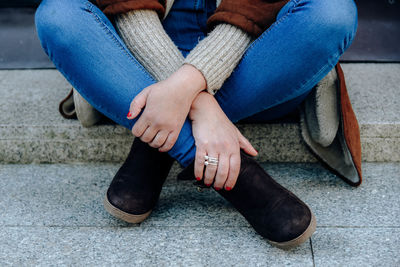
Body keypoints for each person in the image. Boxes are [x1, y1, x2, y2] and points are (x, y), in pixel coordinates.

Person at [35, 0, 359, 249]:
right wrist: (200, 105)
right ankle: (241, 180)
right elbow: (128, 6)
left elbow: (257, 6)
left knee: (332, 14)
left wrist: (191, 82)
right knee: (58, 16)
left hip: (256, 68)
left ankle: (160, 140)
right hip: (138, 68)